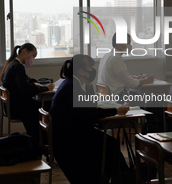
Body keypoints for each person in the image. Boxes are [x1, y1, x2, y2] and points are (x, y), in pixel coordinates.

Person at [49, 54, 130, 184]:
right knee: (111, 145)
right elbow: (90, 115)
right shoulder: (73, 87)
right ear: (81, 71)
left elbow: (89, 108)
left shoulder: (73, 83)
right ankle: (118, 179)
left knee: (109, 143)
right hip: (70, 139)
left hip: (68, 134)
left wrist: (89, 85)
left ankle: (121, 177)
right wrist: (116, 110)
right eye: (90, 67)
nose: (93, 69)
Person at [0, 43, 54, 142]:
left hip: (13, 106)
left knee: (45, 105)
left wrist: (34, 82)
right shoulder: (18, 67)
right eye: (33, 55)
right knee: (49, 105)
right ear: (25, 51)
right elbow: (26, 90)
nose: (33, 59)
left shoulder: (13, 64)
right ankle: (44, 140)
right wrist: (46, 88)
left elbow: (25, 80)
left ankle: (43, 139)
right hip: (19, 108)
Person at [97, 33, 154, 98]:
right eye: (128, 43)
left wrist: (134, 78)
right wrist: (146, 80)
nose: (129, 45)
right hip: (117, 97)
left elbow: (117, 77)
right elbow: (130, 84)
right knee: (149, 98)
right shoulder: (116, 58)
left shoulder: (107, 56)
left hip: (106, 96)